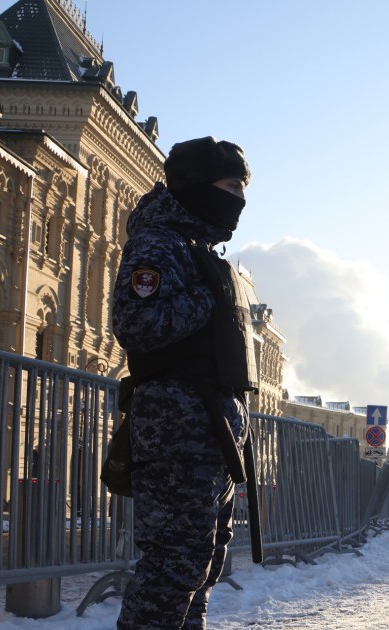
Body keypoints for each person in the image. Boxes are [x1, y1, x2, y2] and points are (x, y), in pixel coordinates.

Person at [112, 136, 257, 629]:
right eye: (232, 186)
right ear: (199, 186)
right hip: (176, 429)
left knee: (202, 561)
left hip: (209, 432)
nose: (240, 199)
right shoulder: (158, 244)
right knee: (173, 566)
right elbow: (137, 324)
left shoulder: (195, 248)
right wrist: (208, 296)